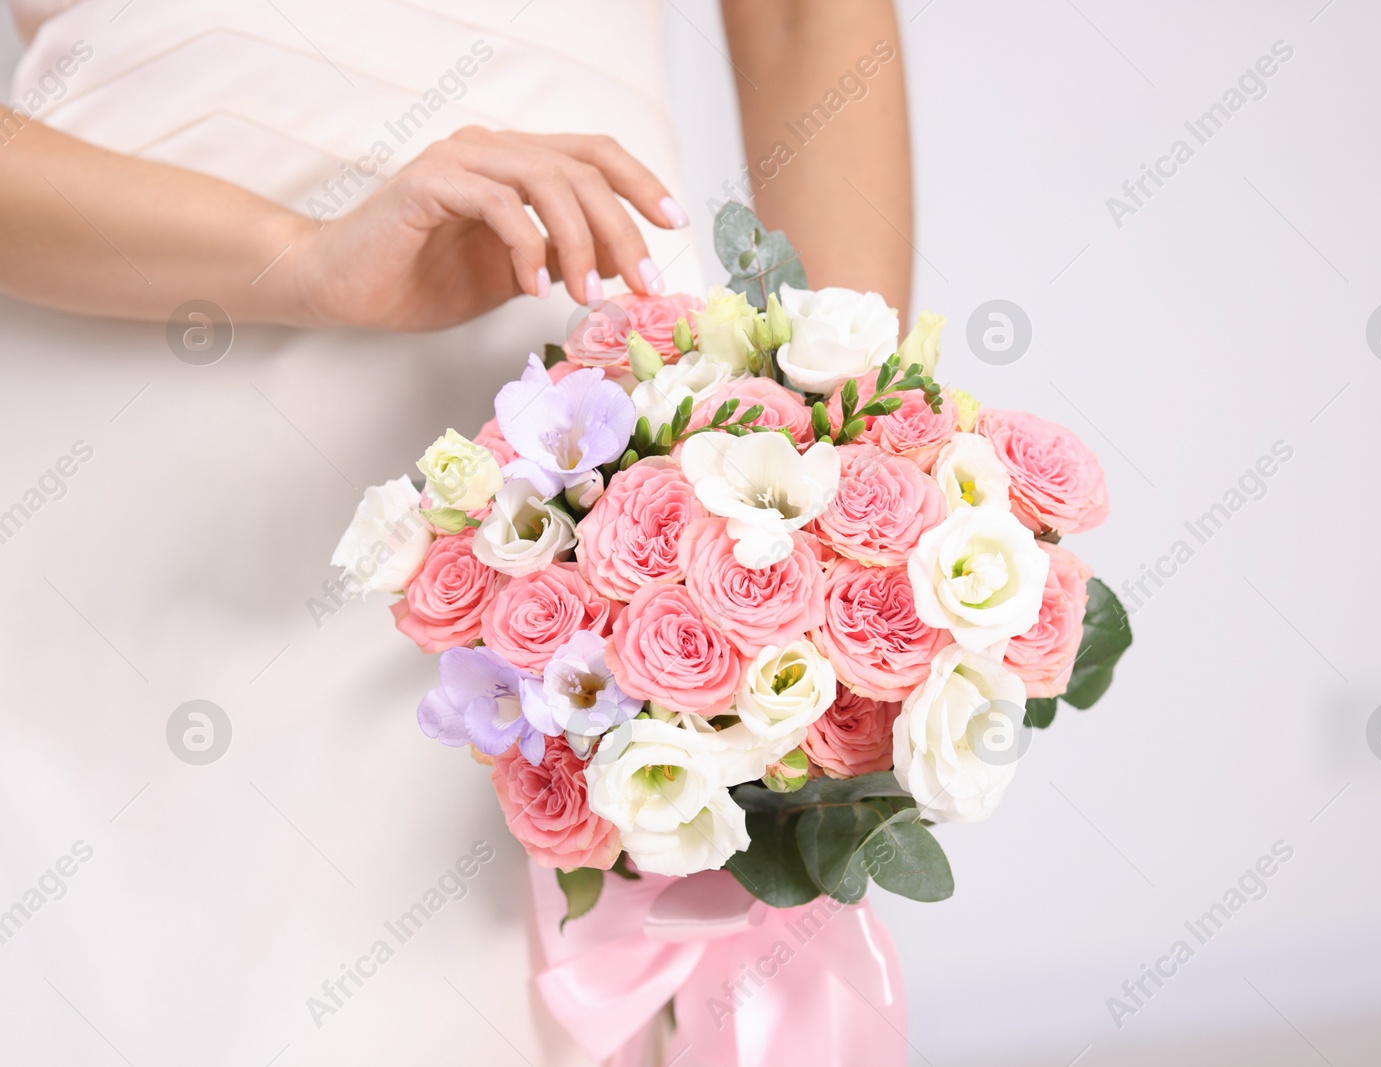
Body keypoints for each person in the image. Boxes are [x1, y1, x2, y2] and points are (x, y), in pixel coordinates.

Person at [0, 2, 909, 1064]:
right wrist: (294, 258)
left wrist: (844, 449)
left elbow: (808, 22)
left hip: (571, 421)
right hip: (125, 361)